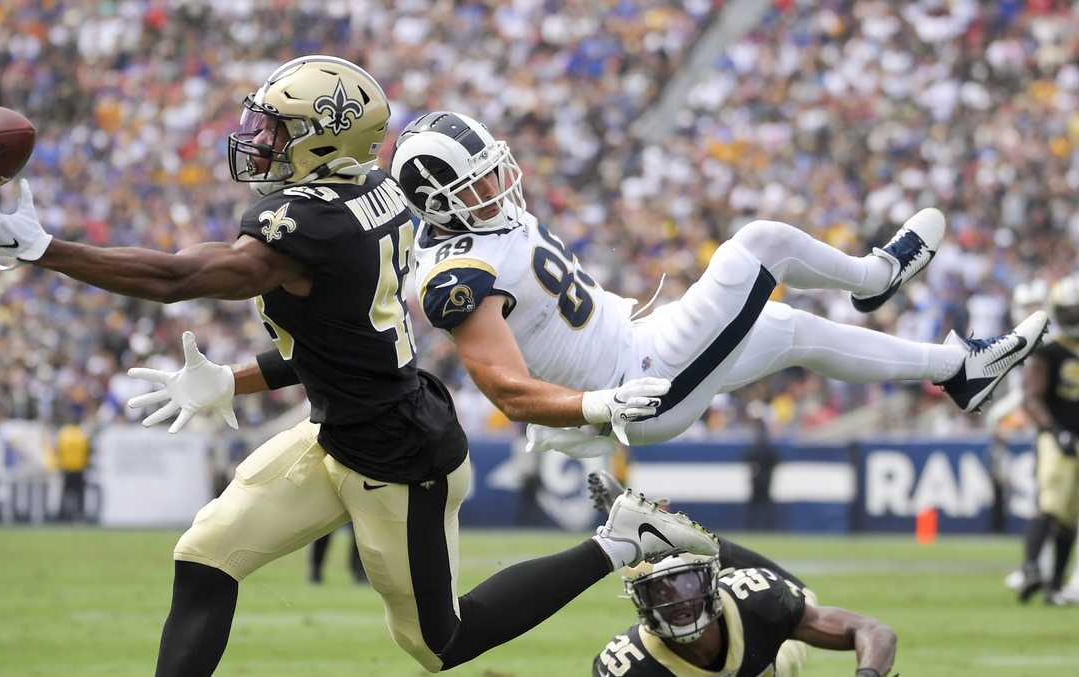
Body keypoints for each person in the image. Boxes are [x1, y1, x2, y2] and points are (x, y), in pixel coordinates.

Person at [0, 56, 717, 676]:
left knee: (439, 644)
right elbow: (344, 339)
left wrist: (46, 250)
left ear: (326, 141)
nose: (256, 137)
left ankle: (622, 537)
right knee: (204, 556)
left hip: (398, 455)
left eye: (276, 128)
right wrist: (234, 378)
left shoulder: (307, 226)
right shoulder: (374, 189)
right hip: (343, 427)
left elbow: (180, 279)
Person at [391, 111, 1047, 455]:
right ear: (440, 201)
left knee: (792, 331)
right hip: (638, 384)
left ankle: (961, 367)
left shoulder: (482, 223)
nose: (498, 181)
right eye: (477, 179)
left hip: (638, 342)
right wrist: (593, 412)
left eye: (491, 166)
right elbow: (506, 390)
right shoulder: (456, 276)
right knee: (760, 244)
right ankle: (876, 277)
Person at [588, 471, 897, 677]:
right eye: (660, 591)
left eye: (686, 584)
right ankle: (657, 529)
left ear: (713, 583)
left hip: (769, 649)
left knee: (801, 599)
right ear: (639, 600)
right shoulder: (628, 665)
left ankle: (664, 529)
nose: (678, 600)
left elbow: (873, 630)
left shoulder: (754, 601)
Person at [1014, 274, 1079, 605]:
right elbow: (1032, 397)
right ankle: (1029, 568)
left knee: (1069, 516)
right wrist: (1056, 432)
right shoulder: (1050, 352)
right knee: (1050, 503)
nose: (1073, 319)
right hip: (1057, 438)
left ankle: (1054, 585)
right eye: (1069, 311)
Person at [55, 421, 90, 523]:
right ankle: (80, 515)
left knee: (65, 493)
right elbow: (87, 450)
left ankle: (62, 515)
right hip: (79, 468)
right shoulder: (82, 434)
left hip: (67, 468)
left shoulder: (64, 434)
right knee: (80, 495)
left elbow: (59, 450)